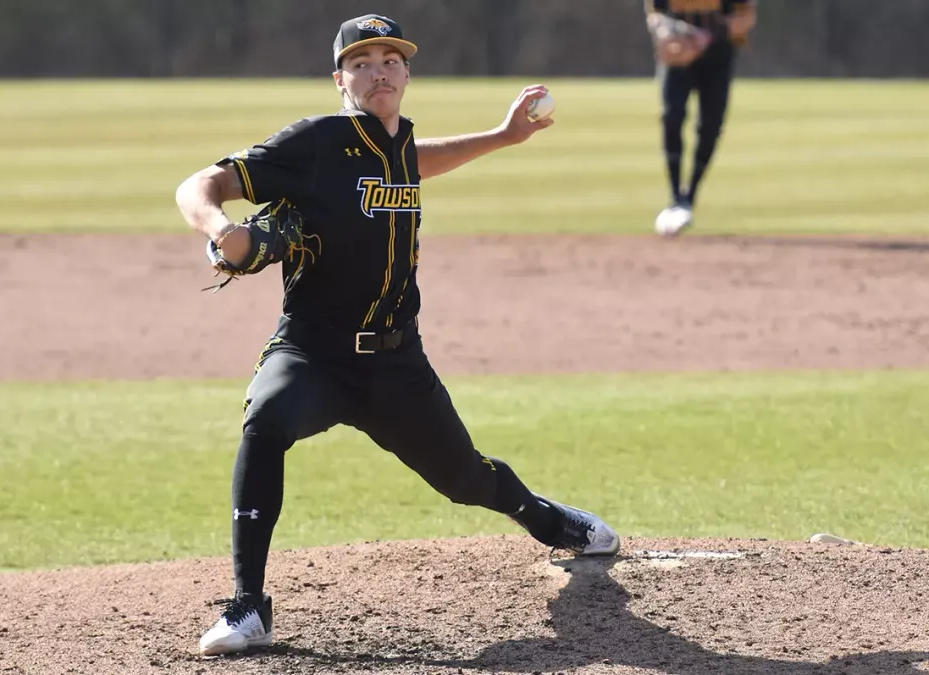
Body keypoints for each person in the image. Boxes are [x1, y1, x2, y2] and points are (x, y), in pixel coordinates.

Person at [174, 13, 621, 658]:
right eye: (361, 61)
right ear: (340, 79)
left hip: (395, 366)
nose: (378, 69)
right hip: (313, 353)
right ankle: (248, 607)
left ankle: (551, 522)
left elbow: (415, 164)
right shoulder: (316, 144)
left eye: (390, 59)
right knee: (265, 421)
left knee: (467, 480)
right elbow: (201, 184)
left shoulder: (397, 147)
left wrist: (503, 136)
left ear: (407, 73)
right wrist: (219, 229)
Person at [647, 0, 757, 236]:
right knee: (671, 115)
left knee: (710, 126)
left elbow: (745, 18)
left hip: (717, 57)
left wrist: (706, 37)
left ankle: (689, 196)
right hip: (676, 55)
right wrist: (666, 33)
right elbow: (655, 14)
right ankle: (676, 198)